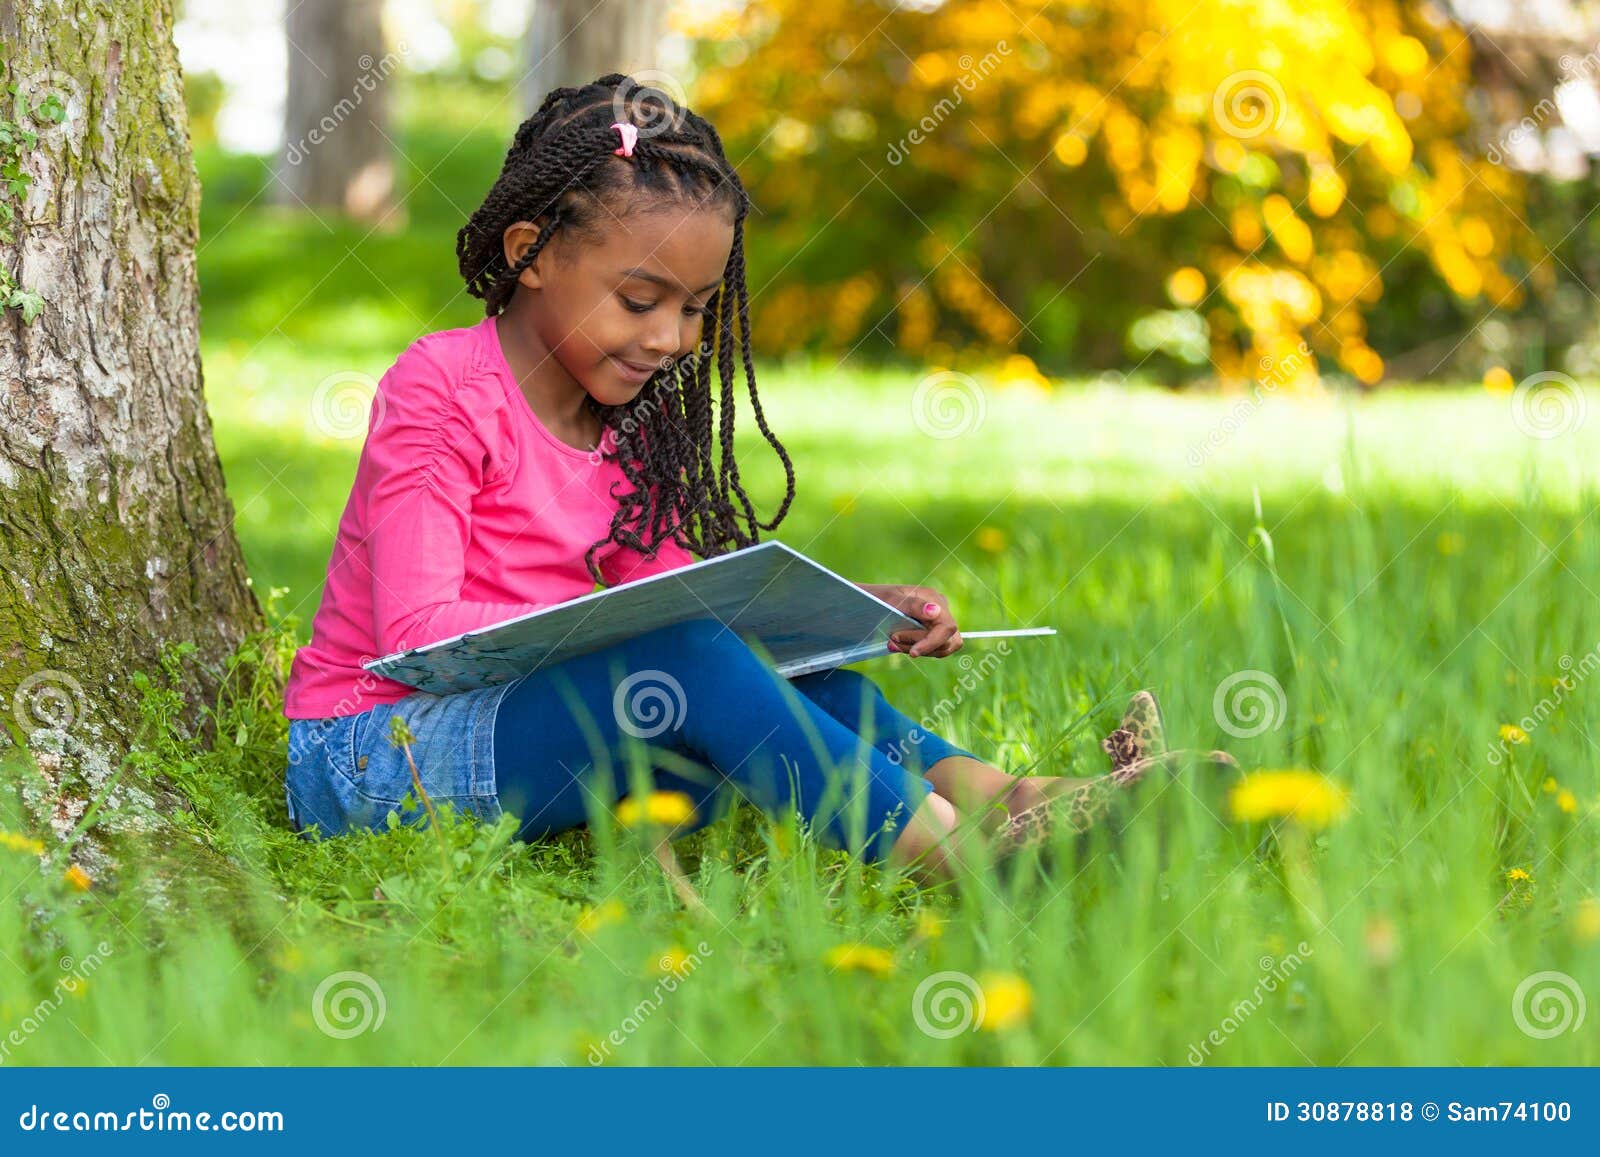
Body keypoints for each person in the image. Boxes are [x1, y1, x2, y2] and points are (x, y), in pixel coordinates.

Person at [281, 74, 1205, 881]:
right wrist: (657, 639)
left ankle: (1016, 798)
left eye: (693, 309)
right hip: (374, 748)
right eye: (639, 301)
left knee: (764, 669)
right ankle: (957, 859)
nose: (671, 339)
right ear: (530, 251)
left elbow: (686, 604)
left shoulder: (639, 425)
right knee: (689, 660)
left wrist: (850, 612)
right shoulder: (443, 389)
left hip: (543, 727)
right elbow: (413, 631)